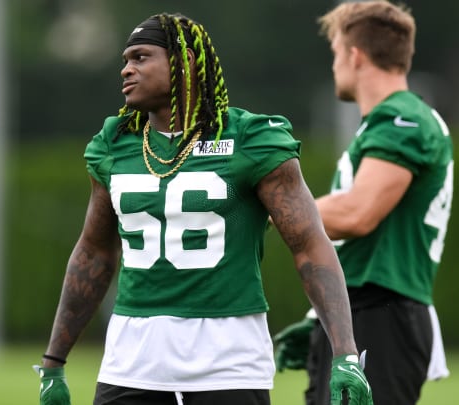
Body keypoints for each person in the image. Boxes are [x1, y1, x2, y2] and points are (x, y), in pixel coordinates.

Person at [36, 12, 372, 405]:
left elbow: (310, 245)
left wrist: (345, 352)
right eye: (125, 60)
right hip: (131, 363)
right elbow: (94, 253)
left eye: (141, 57)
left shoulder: (250, 139)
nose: (127, 70)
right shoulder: (115, 143)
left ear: (185, 62)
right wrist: (54, 361)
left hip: (228, 363)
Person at [272, 1, 453, 404]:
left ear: (355, 55)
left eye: (336, 53)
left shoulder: (402, 119)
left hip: (382, 313)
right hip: (367, 311)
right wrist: (319, 316)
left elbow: (358, 213)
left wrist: (271, 207)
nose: (334, 64)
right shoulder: (390, 120)